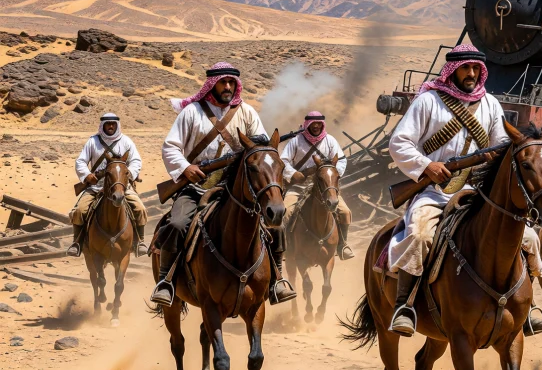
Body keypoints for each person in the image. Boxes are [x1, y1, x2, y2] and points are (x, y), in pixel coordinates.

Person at [385, 43, 542, 338]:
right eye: (466, 68)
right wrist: (427, 166)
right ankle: (405, 306)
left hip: (477, 192)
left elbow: (502, 145)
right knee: (419, 234)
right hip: (436, 191)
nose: (472, 73)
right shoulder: (428, 101)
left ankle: (529, 306)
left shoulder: (489, 104)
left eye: (476, 68)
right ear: (453, 70)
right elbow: (399, 143)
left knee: (527, 237)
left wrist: (495, 156)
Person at [150, 62, 297, 307]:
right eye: (223, 82)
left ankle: (276, 281)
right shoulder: (191, 113)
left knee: (275, 227)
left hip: (234, 189)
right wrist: (186, 168)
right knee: (176, 224)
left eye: (231, 82)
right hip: (195, 187)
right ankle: (166, 281)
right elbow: (171, 147)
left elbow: (258, 144)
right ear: (212, 84)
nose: (227, 87)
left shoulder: (246, 112)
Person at [68, 113, 149, 256]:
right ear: (103, 125)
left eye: (113, 124)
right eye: (107, 124)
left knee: (140, 209)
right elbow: (80, 161)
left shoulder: (126, 141)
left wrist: (128, 174)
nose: (110, 126)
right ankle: (77, 243)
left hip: (121, 187)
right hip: (96, 187)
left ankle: (139, 242)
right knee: (80, 211)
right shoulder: (93, 141)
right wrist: (87, 175)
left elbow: (136, 161)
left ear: (117, 125)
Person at [280, 111, 353, 260]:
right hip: (299, 186)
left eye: (319, 123)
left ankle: (342, 245)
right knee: (286, 212)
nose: (316, 126)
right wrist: (293, 174)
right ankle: (284, 247)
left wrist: (331, 176)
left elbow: (342, 160)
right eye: (314, 123)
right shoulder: (296, 141)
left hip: (325, 188)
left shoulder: (330, 140)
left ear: (323, 124)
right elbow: (283, 161)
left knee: (345, 212)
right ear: (308, 124)